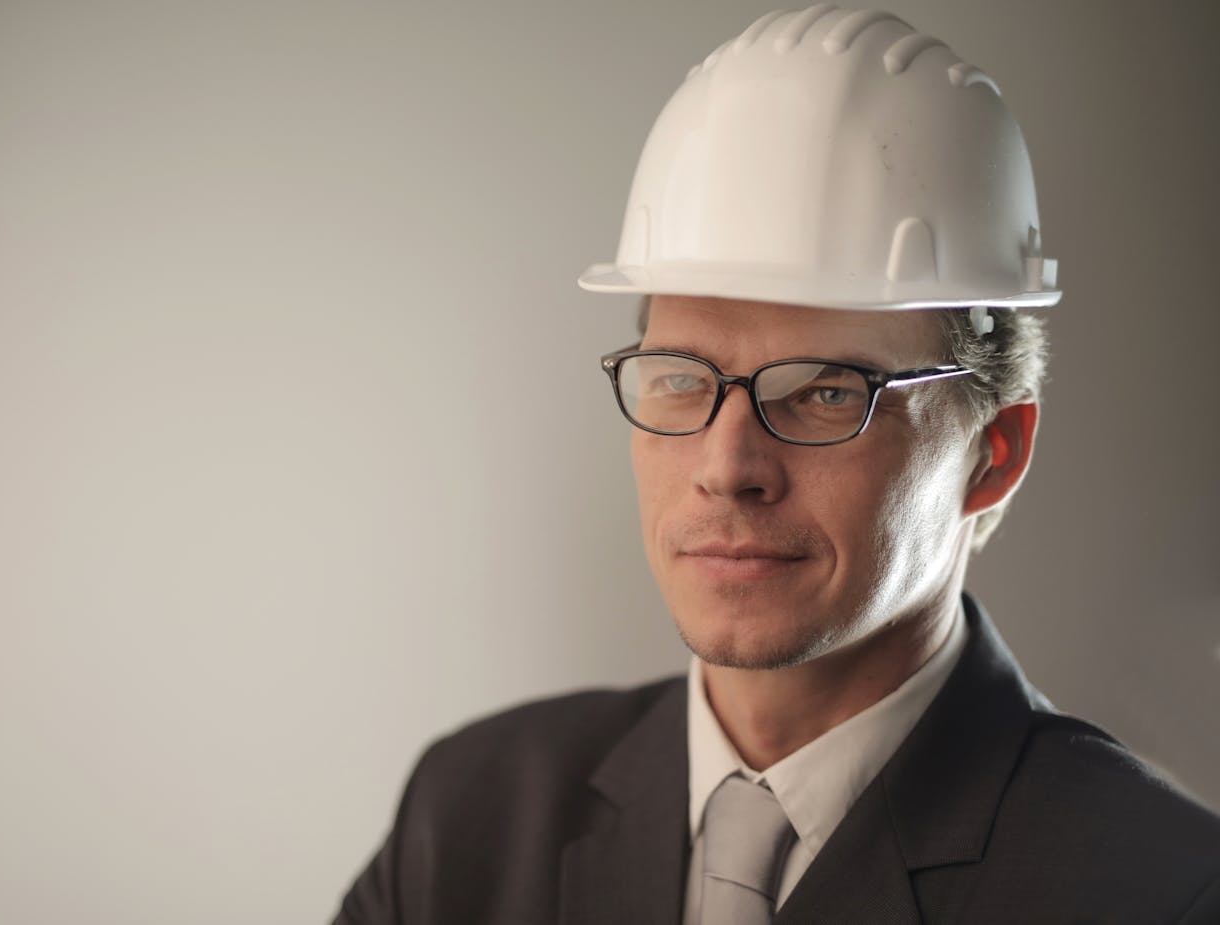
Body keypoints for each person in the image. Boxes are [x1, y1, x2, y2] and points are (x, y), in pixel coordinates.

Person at [334, 8, 1220, 923]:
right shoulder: (466, 820)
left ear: (992, 454)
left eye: (828, 391)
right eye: (681, 379)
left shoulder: (1160, 891)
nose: (727, 466)